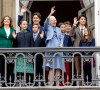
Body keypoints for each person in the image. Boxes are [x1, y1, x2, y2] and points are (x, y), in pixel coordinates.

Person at [44, 6, 65, 86]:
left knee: (58, 67)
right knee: (51, 67)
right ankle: (50, 84)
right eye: (52, 20)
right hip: (50, 49)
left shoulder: (59, 29)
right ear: (50, 22)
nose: (54, 21)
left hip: (58, 49)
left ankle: (57, 84)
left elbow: (61, 37)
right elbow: (45, 22)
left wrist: (61, 43)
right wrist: (50, 14)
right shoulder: (47, 27)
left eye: (55, 20)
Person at [70, 15, 87, 86]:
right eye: (82, 19)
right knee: (78, 69)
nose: (83, 20)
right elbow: (71, 34)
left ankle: (86, 84)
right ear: (79, 20)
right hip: (76, 51)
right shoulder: (76, 29)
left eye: (84, 19)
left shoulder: (88, 29)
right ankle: (80, 85)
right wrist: (74, 24)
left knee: (85, 69)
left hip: (85, 51)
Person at [0, 16, 16, 86]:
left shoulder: (13, 30)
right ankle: (3, 82)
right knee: (2, 67)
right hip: (1, 50)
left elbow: (15, 42)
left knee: (10, 67)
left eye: (8, 19)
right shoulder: (0, 30)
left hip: (10, 51)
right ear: (3, 21)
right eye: (5, 19)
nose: (6, 20)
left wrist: (15, 38)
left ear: (10, 21)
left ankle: (11, 82)